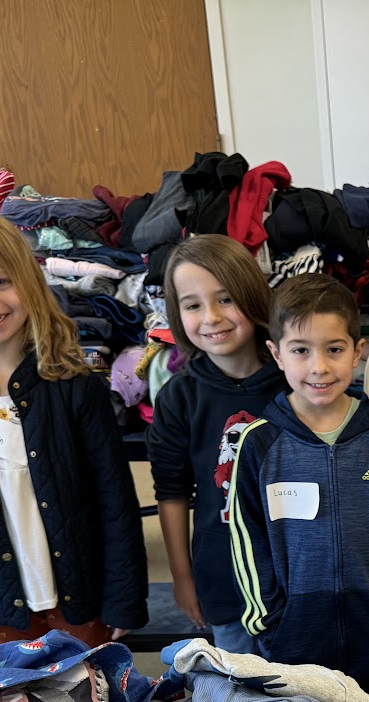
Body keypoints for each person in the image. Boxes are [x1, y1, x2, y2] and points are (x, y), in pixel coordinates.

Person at [0, 210, 147, 649]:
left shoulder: (75, 384)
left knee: (92, 701)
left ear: (30, 284)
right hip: (1, 601)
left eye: (1, 281)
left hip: (83, 594)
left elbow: (115, 500)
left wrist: (124, 599)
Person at [227, 274, 369, 698]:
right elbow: (248, 540)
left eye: (334, 349)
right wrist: (270, 620)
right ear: (276, 354)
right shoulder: (259, 443)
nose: (319, 367)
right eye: (301, 350)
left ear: (357, 352)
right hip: (293, 640)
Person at [146, 235, 283, 653]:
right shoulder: (179, 397)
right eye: (192, 305)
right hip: (223, 581)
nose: (211, 317)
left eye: (225, 299)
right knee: (239, 698)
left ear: (253, 296)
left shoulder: (295, 382)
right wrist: (183, 578)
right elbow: (171, 493)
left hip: (296, 579)